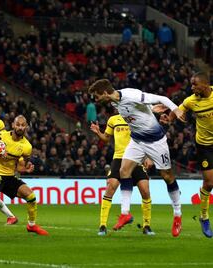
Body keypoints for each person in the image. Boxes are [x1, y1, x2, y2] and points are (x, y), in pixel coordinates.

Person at [88, 79, 186, 237]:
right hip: (137, 141)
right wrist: (152, 110)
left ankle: (177, 214)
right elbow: (138, 111)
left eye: (96, 96)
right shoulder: (114, 103)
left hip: (155, 142)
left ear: (105, 93)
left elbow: (162, 98)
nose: (96, 100)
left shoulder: (131, 94)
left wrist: (176, 110)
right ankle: (125, 213)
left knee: (167, 176)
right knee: (124, 171)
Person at [0, 115, 48, 237]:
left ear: (26, 127)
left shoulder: (27, 147)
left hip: (9, 176)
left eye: (22, 125)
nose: (20, 127)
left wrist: (26, 169)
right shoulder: (1, 136)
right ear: (13, 125)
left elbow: (20, 167)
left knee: (31, 196)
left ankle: (31, 225)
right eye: (18, 124)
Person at [90, 115, 154, 236]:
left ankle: (147, 225)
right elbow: (106, 138)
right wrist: (98, 132)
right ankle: (102, 225)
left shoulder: (137, 117)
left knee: (145, 190)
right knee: (110, 186)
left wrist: (148, 156)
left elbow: (147, 139)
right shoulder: (113, 119)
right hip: (119, 158)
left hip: (136, 158)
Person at [169, 72, 213, 238]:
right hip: (205, 145)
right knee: (209, 183)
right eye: (191, 84)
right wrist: (170, 118)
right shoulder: (191, 101)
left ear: (205, 85)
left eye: (195, 85)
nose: (192, 88)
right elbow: (178, 109)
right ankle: (204, 217)